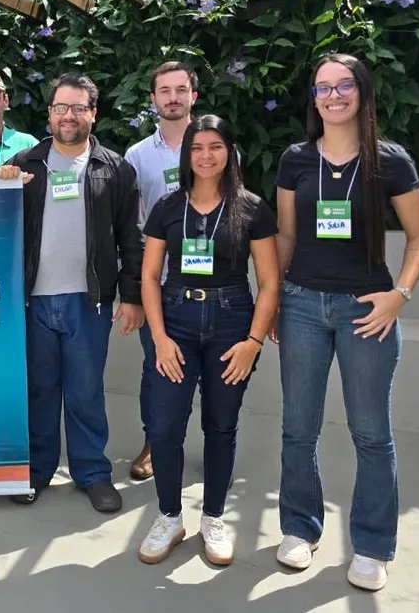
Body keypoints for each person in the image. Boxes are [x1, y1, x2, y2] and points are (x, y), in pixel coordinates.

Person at [272, 54, 419, 591]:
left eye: (343, 85)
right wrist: (271, 303)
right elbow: (287, 239)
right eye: (322, 88)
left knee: (371, 432)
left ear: (361, 91)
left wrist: (399, 296)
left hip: (368, 311)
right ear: (314, 99)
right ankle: (299, 528)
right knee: (299, 428)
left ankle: (371, 544)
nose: (333, 95)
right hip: (301, 305)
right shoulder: (295, 159)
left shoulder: (391, 161)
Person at [0, 73, 144, 513]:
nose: (69, 115)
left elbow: (130, 239)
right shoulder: (24, 164)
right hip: (33, 300)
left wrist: (130, 296)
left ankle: (92, 473)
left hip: (88, 301)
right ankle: (38, 470)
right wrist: (0, 183)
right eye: (61, 107)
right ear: (49, 113)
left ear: (93, 114)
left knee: (84, 391)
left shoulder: (115, 169)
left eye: (79, 108)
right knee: (39, 389)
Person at [137, 114, 279, 566]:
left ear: (230, 153)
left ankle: (213, 517)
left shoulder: (252, 209)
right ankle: (170, 516)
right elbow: (148, 276)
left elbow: (270, 282)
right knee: (163, 426)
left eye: (215, 146)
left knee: (220, 426)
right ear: (186, 155)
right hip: (175, 319)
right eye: (197, 148)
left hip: (230, 320)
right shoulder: (167, 207)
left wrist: (253, 341)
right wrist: (158, 336)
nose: (205, 156)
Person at [123, 61, 200, 481]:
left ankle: (215, 442)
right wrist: (133, 289)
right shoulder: (135, 157)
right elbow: (131, 226)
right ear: (153, 99)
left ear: (193, 96)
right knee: (157, 368)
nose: (172, 97)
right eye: (164, 90)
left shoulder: (215, 146)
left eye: (180, 89)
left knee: (211, 373)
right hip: (160, 284)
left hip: (212, 282)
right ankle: (154, 444)